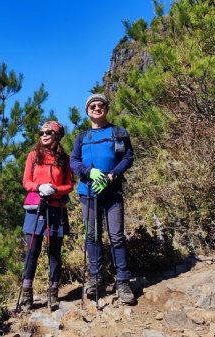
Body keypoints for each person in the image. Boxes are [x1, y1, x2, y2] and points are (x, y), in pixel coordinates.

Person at [70, 93, 136, 305]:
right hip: (88, 192)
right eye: (93, 106)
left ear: (106, 109)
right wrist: (88, 172)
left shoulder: (118, 132)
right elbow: (73, 161)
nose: (97, 108)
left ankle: (123, 282)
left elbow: (128, 157)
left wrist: (111, 175)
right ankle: (97, 278)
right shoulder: (82, 137)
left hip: (112, 191)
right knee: (93, 236)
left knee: (116, 236)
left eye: (101, 105)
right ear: (87, 111)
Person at [20, 121, 74, 311]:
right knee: (32, 252)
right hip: (35, 206)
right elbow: (26, 181)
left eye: (48, 132)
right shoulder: (33, 156)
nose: (43, 135)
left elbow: (70, 185)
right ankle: (27, 295)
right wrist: (38, 187)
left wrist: (55, 190)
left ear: (57, 135)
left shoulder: (64, 159)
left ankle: (53, 293)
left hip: (56, 208)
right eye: (41, 132)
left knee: (54, 253)